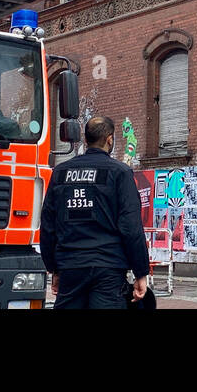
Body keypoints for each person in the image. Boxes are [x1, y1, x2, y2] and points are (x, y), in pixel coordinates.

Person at [39, 115, 150, 309]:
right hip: (108, 269)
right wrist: (140, 272)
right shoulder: (120, 173)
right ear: (109, 139)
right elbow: (131, 227)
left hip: (70, 266)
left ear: (86, 139)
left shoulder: (61, 173)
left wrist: (54, 269)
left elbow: (48, 225)